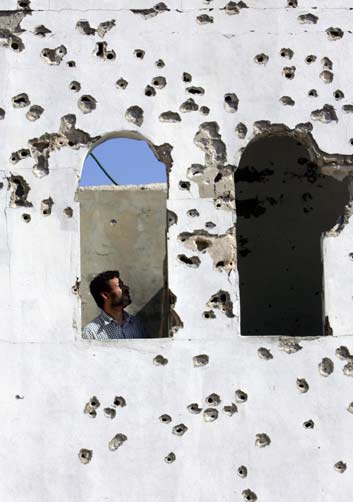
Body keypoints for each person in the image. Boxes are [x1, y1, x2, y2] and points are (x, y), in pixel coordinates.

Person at [82, 270, 147, 340]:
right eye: (119, 286)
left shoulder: (137, 324)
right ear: (105, 295)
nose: (126, 288)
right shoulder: (90, 333)